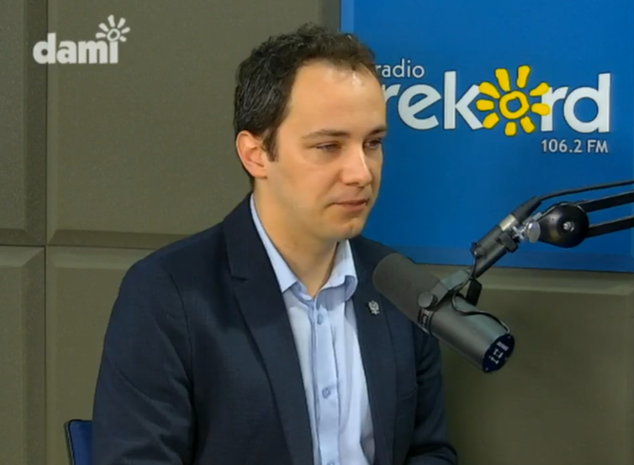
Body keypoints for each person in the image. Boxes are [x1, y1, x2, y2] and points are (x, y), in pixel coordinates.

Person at [91, 23, 458, 465]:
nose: (361, 173)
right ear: (256, 154)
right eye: (329, 146)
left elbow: (428, 451)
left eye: (373, 143)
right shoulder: (168, 294)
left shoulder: (399, 286)